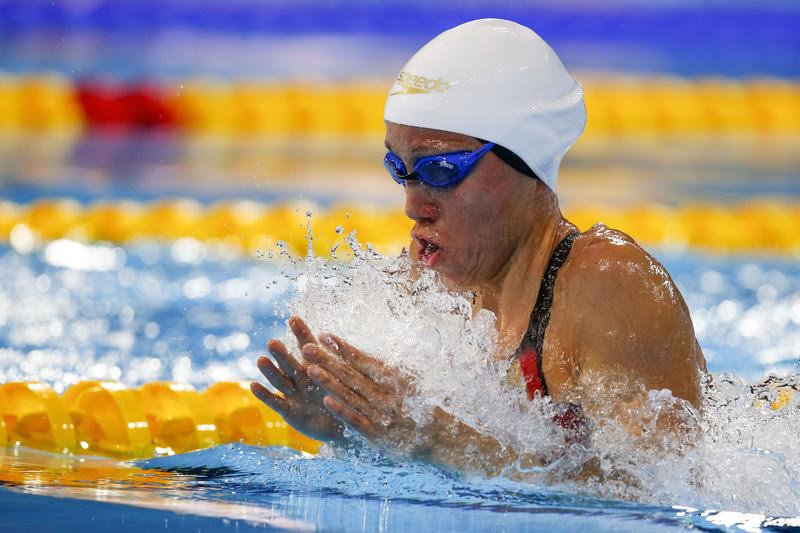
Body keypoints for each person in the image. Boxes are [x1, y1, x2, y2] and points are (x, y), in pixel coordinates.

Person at [251, 19, 707, 475]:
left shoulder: (609, 284)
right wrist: (353, 428)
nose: (412, 206)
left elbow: (659, 492)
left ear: (524, 164)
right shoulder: (426, 286)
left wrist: (435, 437)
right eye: (399, 168)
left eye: (442, 170)